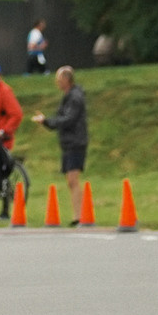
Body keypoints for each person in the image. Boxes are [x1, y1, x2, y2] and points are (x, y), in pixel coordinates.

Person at [37, 66, 88, 214]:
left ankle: (80, 214)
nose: (57, 83)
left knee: (73, 179)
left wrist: (48, 122)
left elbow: (68, 119)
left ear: (67, 80)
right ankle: (79, 214)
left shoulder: (75, 98)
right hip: (69, 142)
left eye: (59, 80)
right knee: (70, 180)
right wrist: (47, 122)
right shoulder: (69, 96)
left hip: (75, 142)